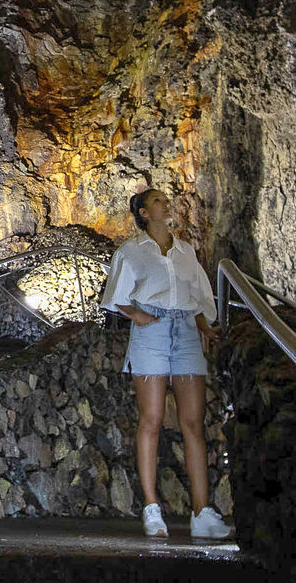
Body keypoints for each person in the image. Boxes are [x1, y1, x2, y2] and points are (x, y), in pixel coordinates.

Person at [98, 189, 233, 539]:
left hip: (187, 330)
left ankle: (201, 512)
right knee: (152, 420)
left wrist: (206, 327)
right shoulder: (131, 252)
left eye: (164, 200)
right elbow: (115, 296)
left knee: (193, 423)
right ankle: (151, 507)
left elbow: (201, 297)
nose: (165, 203)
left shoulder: (186, 252)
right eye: (157, 200)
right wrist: (139, 316)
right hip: (152, 330)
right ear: (143, 212)